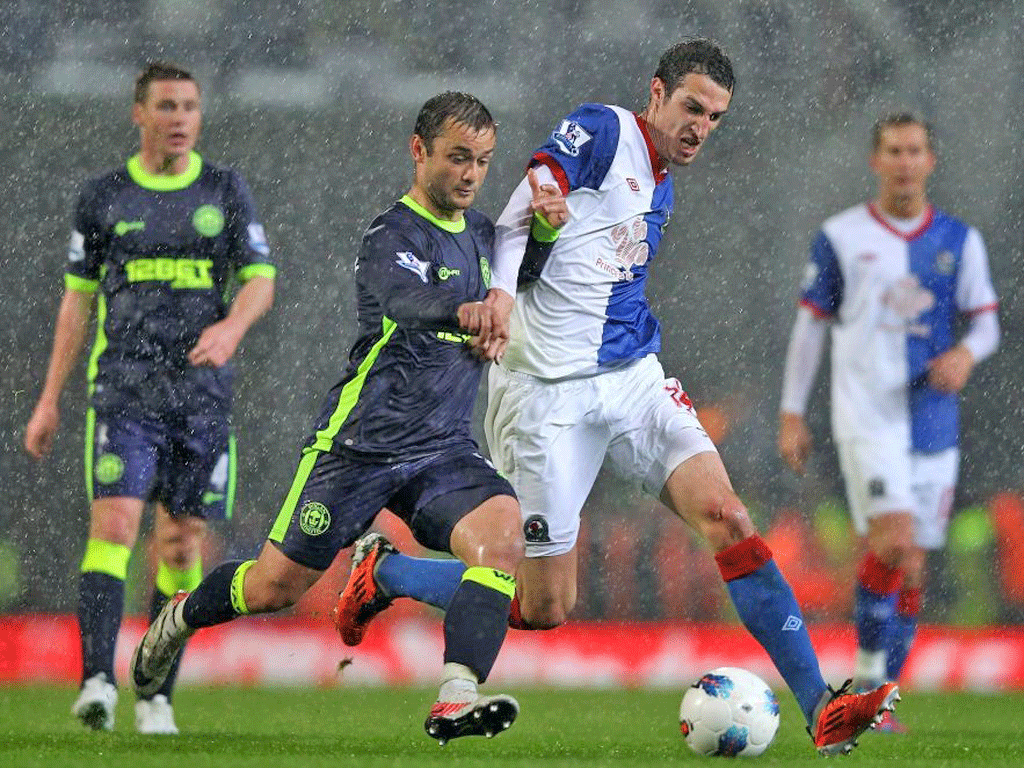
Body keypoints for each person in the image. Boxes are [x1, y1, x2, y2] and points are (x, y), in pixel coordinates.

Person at [335, 39, 898, 756]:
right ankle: (384, 572)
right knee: (544, 607)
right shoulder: (604, 128)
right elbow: (535, 190)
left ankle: (822, 706)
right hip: (545, 398)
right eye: (691, 107)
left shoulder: (663, 180)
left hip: (632, 378)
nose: (700, 126)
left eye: (715, 117)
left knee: (728, 515)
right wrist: (509, 278)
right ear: (656, 93)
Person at [130, 92, 526, 745]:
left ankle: (456, 695)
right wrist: (465, 313)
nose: (471, 174)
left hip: (442, 450)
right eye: (458, 157)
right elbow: (403, 301)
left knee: (501, 540)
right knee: (270, 588)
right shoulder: (390, 234)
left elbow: (538, 267)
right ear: (419, 149)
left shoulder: (487, 238)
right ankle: (181, 614)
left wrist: (553, 228)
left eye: (483, 162)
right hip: (359, 448)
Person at [24, 61, 276, 735]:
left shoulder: (225, 189)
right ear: (140, 114)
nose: (180, 118)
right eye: (166, 106)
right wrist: (50, 398)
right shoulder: (104, 196)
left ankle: (156, 690)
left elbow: (259, 280)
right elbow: (77, 305)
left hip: (200, 397)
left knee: (180, 541)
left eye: (190, 106)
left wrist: (231, 326)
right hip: (125, 391)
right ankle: (98, 681)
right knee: (112, 527)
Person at [777, 112, 999, 731]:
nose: (905, 161)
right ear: (876, 161)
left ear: (931, 161)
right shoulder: (841, 237)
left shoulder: (960, 241)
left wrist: (964, 353)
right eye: (894, 150)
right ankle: (868, 684)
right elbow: (809, 327)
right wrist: (793, 412)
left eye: (915, 151)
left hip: (932, 421)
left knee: (913, 564)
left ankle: (882, 699)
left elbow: (986, 324)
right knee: (893, 542)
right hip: (866, 416)